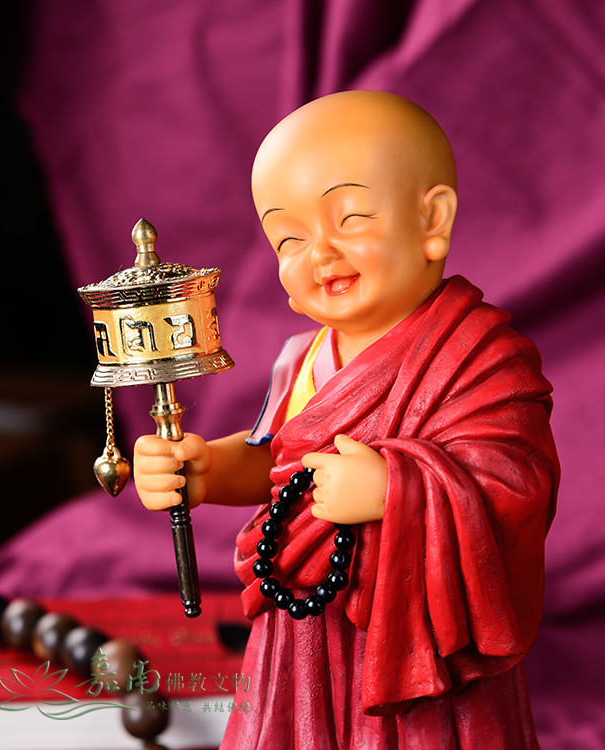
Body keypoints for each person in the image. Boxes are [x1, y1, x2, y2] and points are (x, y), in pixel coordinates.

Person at [134, 90, 560, 749]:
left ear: (432, 220)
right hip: (304, 627)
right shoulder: (301, 359)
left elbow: (516, 485)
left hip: (415, 630)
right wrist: (206, 469)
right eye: (290, 238)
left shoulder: (478, 358)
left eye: (351, 218)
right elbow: (277, 461)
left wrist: (396, 488)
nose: (321, 254)